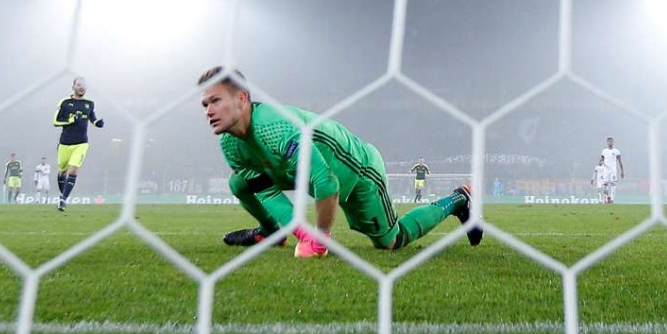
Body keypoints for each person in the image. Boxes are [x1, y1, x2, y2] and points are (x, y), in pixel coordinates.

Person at [198, 67, 481, 257]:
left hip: (357, 170)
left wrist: (319, 239)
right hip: (303, 172)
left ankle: (459, 199)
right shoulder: (229, 142)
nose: (209, 111)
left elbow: (326, 181)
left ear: (242, 98)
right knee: (240, 182)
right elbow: (266, 191)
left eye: (216, 101)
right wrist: (301, 233)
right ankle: (272, 232)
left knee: (391, 241)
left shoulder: (275, 128)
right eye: (205, 105)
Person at [52, 76, 105, 211]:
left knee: (74, 169)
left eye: (84, 85)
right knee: (62, 172)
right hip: (65, 143)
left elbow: (92, 117)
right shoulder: (65, 102)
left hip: (81, 143)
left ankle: (63, 200)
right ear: (73, 87)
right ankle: (61, 195)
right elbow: (56, 121)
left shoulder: (89, 103)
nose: (81, 87)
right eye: (79, 85)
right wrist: (70, 120)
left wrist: (97, 123)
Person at [600, 137, 624, 204]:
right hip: (606, 170)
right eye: (609, 142)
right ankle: (606, 199)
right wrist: (600, 163)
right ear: (607, 142)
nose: (610, 143)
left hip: (613, 170)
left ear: (613, 142)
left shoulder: (616, 151)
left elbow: (620, 161)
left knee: (613, 184)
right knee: (605, 185)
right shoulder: (604, 151)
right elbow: (601, 159)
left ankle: (612, 199)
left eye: (611, 141)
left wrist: (622, 171)